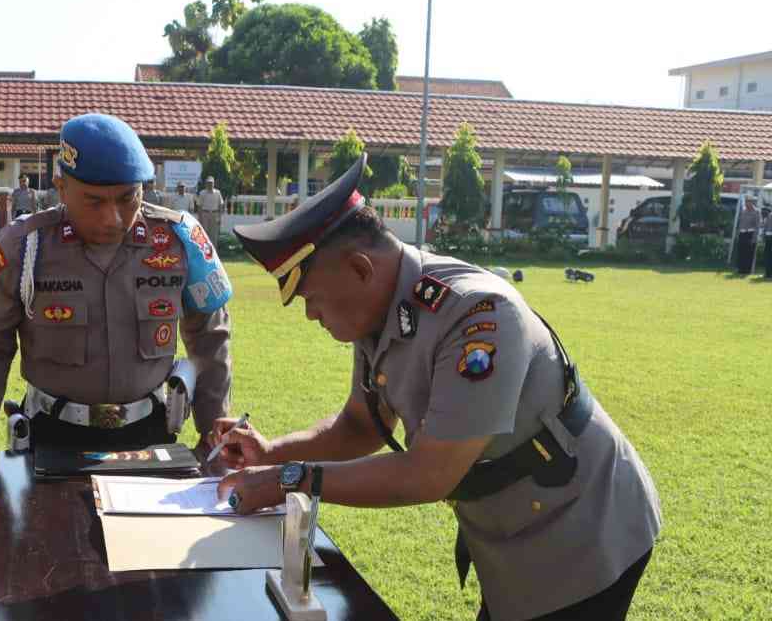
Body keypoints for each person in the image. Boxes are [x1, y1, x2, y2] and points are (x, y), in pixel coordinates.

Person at [213, 156, 661, 621]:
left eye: (312, 298)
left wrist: (291, 479)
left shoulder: (478, 316)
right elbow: (360, 425)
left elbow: (430, 474)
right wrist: (272, 452)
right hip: (513, 526)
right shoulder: (381, 312)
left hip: (583, 527)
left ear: (361, 269)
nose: (309, 315)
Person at [0, 113, 233, 476]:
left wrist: (214, 429)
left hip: (150, 436)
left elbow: (210, 339)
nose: (113, 218)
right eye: (94, 201)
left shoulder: (181, 241)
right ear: (61, 186)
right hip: (53, 437)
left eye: (127, 198)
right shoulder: (24, 249)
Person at [196, 175, 225, 246]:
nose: (210, 184)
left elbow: (220, 205)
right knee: (204, 234)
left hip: (215, 214)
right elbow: (199, 206)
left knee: (214, 235)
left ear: (214, 183)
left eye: (211, 183)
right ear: (206, 183)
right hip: (204, 214)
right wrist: (200, 218)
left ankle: (214, 253)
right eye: (208, 183)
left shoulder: (218, 192)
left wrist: (220, 217)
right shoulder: (202, 193)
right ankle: (204, 252)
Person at [735, 197, 760, 275]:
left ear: (752, 203)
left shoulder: (756, 212)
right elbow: (740, 223)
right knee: (741, 252)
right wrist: (738, 233)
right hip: (742, 234)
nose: (747, 204)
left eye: (749, 202)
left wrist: (754, 238)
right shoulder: (743, 211)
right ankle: (740, 269)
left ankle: (747, 270)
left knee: (749, 253)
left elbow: (757, 226)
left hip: (750, 233)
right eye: (746, 202)